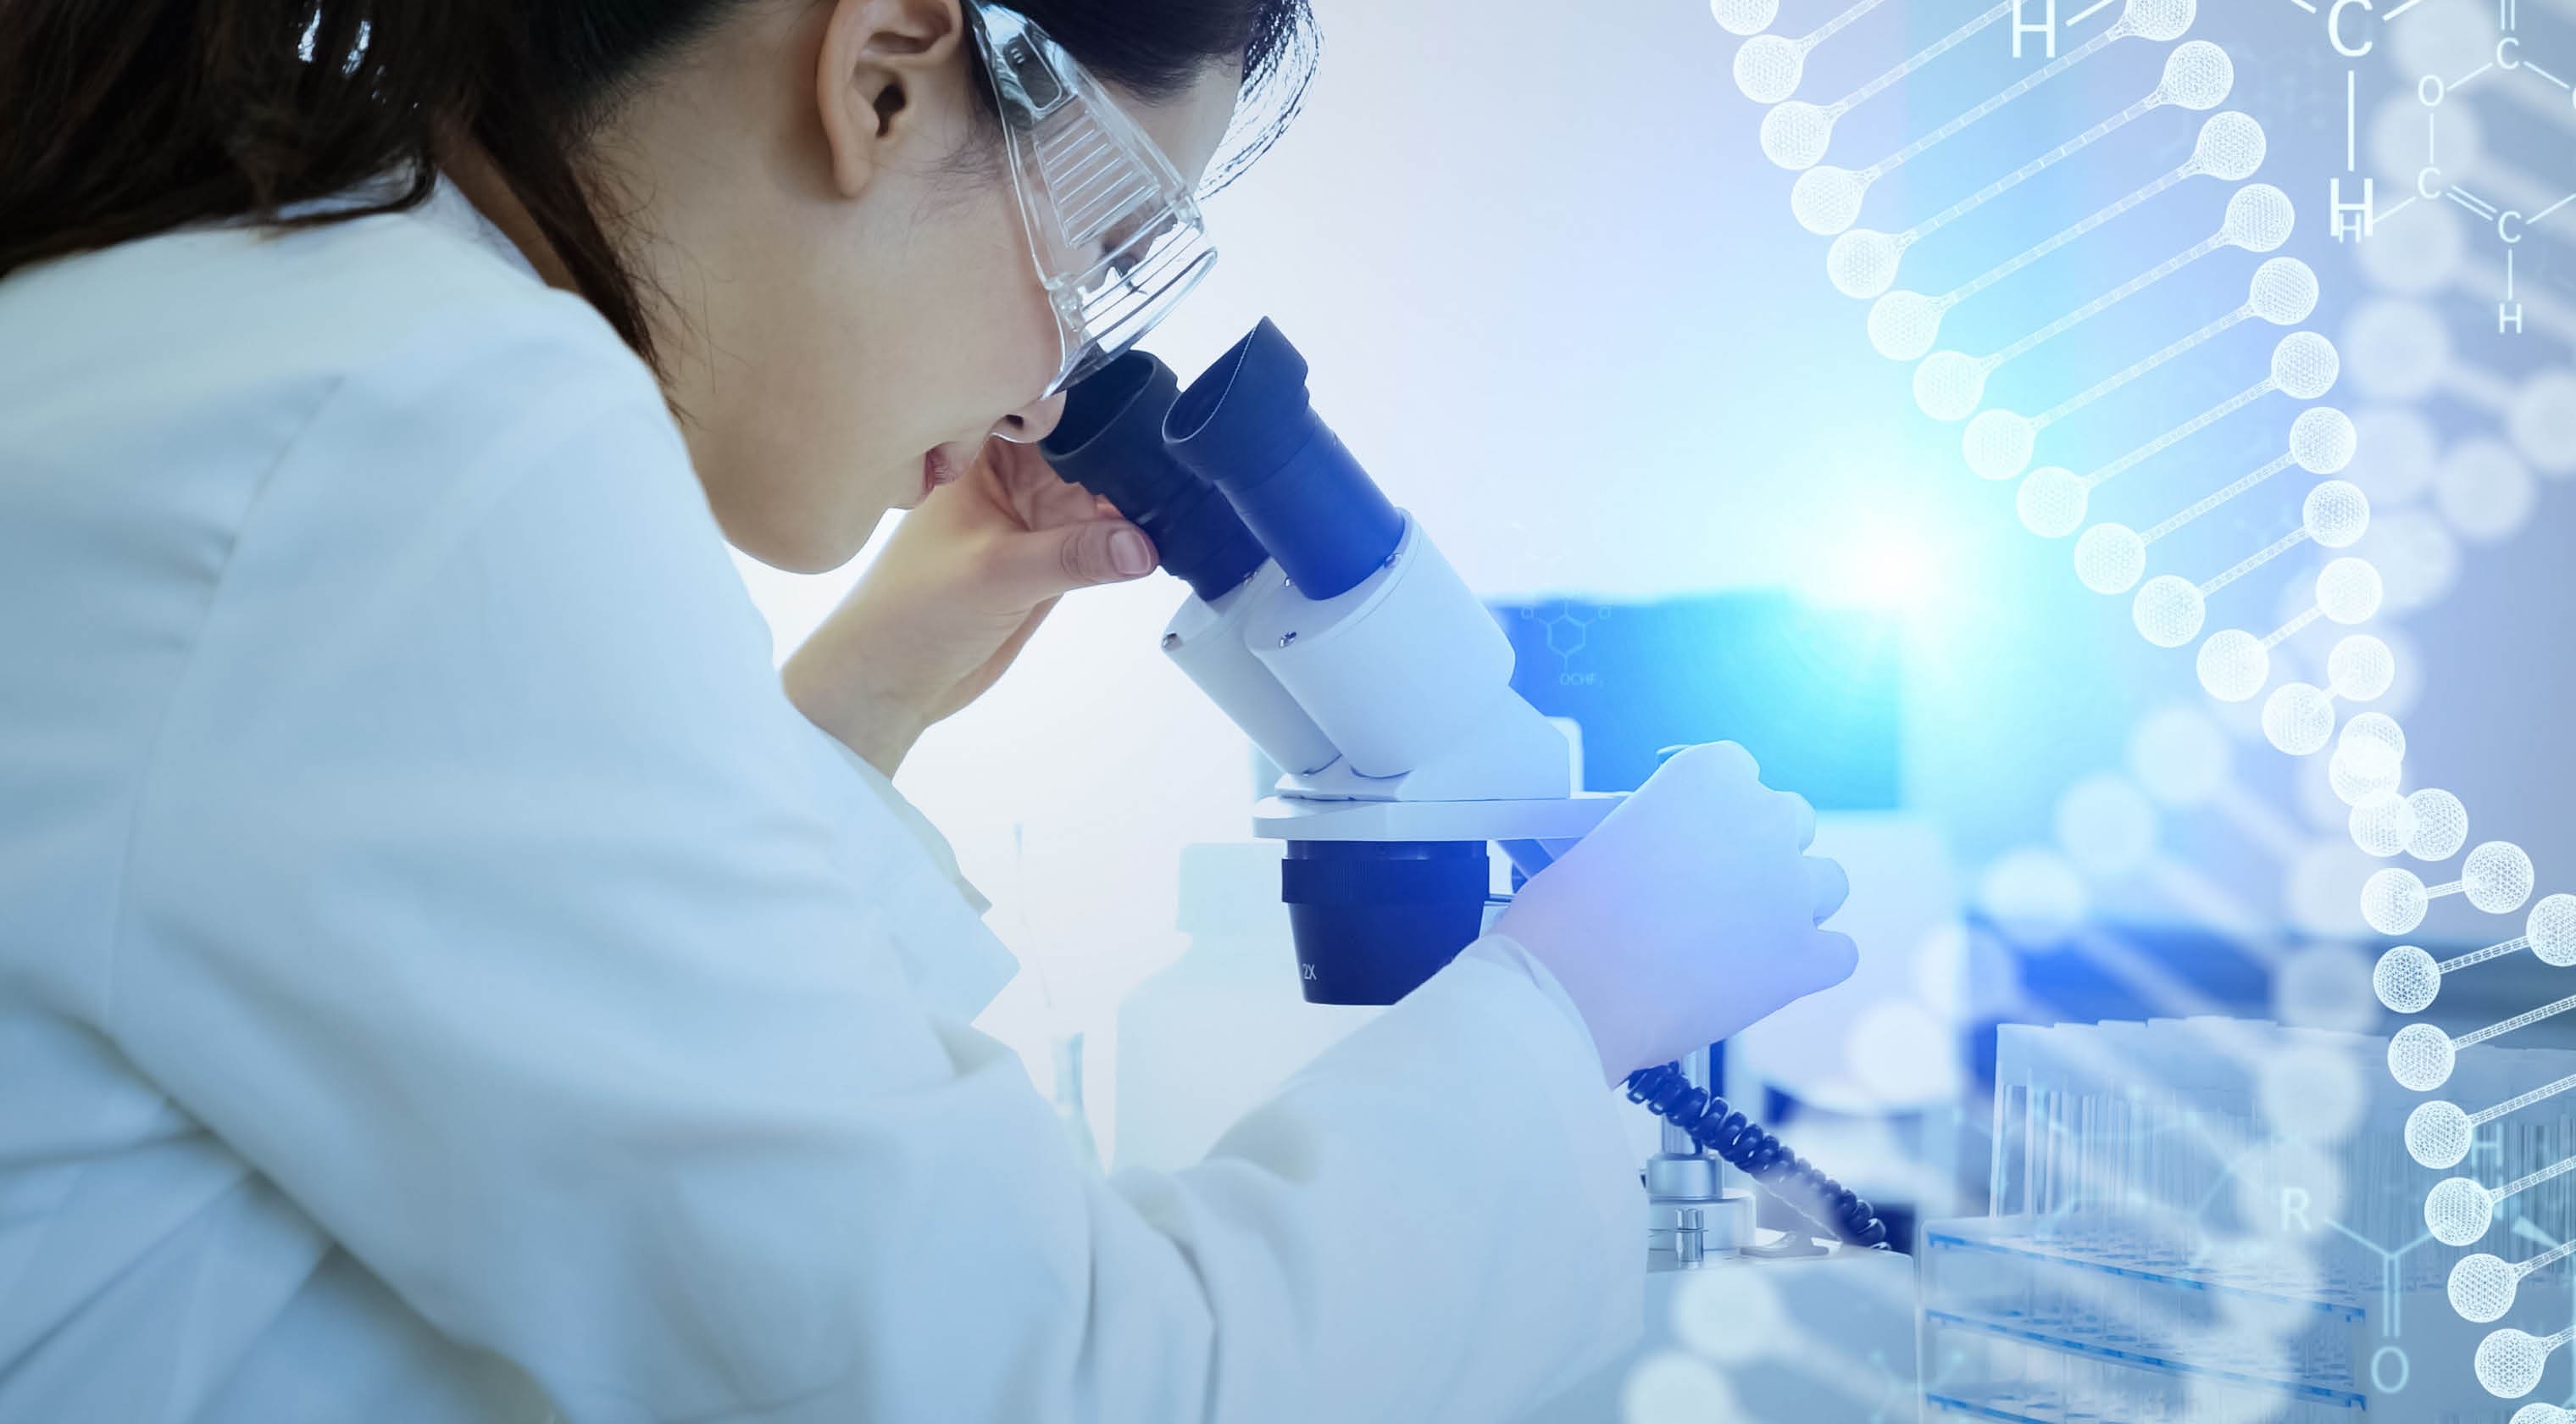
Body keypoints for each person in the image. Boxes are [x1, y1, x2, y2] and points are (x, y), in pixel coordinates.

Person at [0, 1, 1860, 1419]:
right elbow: (1036, 1381)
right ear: (882, 68)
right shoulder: (435, 418)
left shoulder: (286, 329)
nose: (1052, 384)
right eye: (1103, 253)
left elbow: (489, 1064)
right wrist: (1569, 1006)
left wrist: (868, 686)